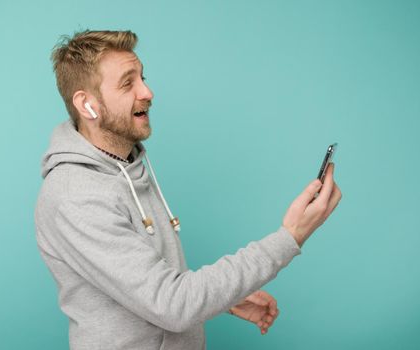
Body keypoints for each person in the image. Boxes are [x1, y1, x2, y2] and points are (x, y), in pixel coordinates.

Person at [34, 29, 342, 350]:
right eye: (128, 83)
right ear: (88, 105)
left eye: (143, 78)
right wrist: (289, 236)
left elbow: (147, 289)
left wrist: (222, 299)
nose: (148, 92)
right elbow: (173, 306)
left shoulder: (126, 165)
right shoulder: (76, 195)